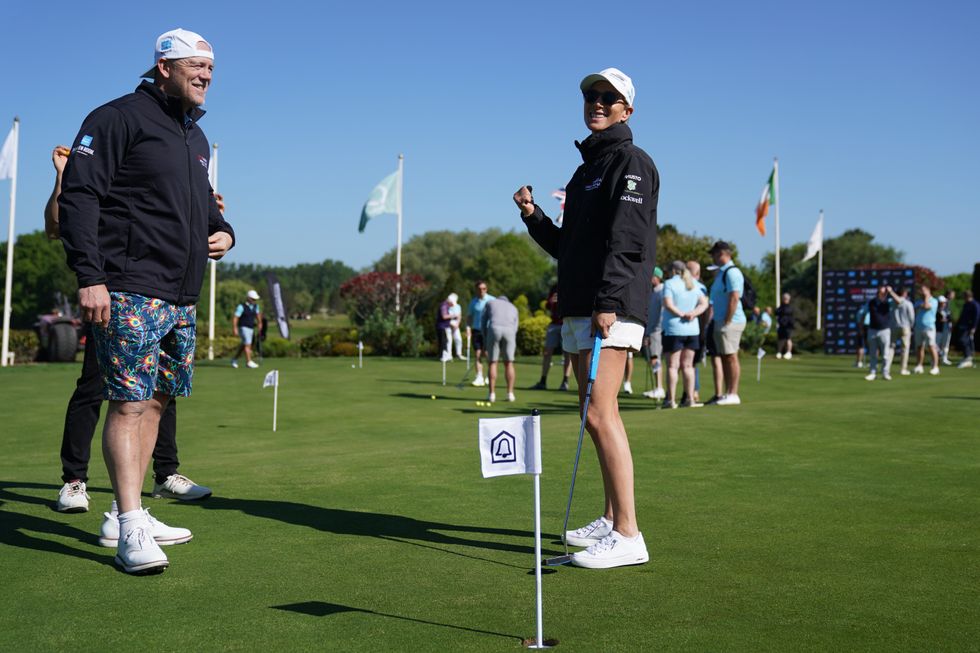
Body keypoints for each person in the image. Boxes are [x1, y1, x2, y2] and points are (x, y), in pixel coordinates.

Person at [58, 28, 235, 574]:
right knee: (128, 403)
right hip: (130, 285)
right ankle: (131, 529)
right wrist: (89, 275)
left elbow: (203, 206)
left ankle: (122, 510)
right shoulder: (117, 118)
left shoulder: (196, 138)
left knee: (157, 400)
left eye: (210, 68)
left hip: (181, 293)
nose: (206, 76)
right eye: (195, 67)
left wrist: (225, 231)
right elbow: (80, 197)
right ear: (164, 67)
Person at [515, 67, 656, 569]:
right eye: (591, 96)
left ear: (626, 109)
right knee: (592, 416)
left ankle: (628, 534)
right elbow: (567, 247)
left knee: (600, 412)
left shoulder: (632, 162)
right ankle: (611, 515)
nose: (596, 102)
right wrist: (535, 217)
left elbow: (630, 241)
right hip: (581, 304)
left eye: (607, 97)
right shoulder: (585, 170)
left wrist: (609, 301)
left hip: (608, 307)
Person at [44, 145, 213, 514]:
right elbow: (55, 226)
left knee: (158, 391)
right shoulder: (98, 182)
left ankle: (164, 473)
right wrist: (62, 174)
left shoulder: (144, 187)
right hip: (111, 294)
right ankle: (75, 481)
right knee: (94, 386)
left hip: (159, 294)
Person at [661, 261, 709, 408]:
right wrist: (693, 314)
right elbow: (704, 303)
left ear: (673, 270)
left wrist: (681, 314)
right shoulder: (693, 283)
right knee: (688, 366)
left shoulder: (669, 284)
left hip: (674, 329)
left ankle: (671, 400)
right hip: (692, 330)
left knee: (672, 366)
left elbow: (668, 304)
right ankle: (690, 399)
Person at [707, 241, 746, 405]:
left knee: (731, 356)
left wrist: (727, 320)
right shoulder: (722, 273)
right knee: (724, 356)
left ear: (723, 253)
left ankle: (733, 393)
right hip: (721, 321)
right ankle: (728, 393)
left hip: (731, 321)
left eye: (714, 255)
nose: (713, 258)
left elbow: (734, 297)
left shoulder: (732, 272)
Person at [531, 285, 572, 391]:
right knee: (547, 352)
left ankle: (565, 381)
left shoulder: (571, 285)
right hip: (554, 324)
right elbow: (548, 305)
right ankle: (543, 381)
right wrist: (551, 302)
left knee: (567, 353)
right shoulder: (554, 287)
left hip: (566, 323)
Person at [482, 295, 519, 403]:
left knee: (493, 362)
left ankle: (491, 394)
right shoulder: (513, 307)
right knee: (509, 363)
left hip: (494, 329)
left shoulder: (490, 303)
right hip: (510, 331)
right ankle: (510, 394)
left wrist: (485, 338)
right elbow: (516, 327)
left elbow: (483, 321)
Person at [640, 268, 665, 400]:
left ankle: (659, 388)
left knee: (655, 358)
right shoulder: (653, 292)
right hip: (651, 330)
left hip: (657, 330)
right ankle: (657, 387)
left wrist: (655, 329)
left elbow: (661, 314)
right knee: (652, 358)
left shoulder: (661, 291)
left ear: (657, 277)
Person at [466, 281, 495, 385]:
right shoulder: (473, 302)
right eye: (479, 289)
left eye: (484, 289)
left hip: (488, 330)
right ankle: (479, 377)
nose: (482, 291)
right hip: (476, 330)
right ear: (476, 290)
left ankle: (489, 375)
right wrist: (468, 328)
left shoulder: (492, 300)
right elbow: (469, 317)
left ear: (486, 289)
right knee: (478, 353)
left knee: (487, 354)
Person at [864, 286, 892, 381]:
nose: (881, 294)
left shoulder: (889, 302)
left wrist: (890, 292)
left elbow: (899, 301)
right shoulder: (872, 302)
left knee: (885, 354)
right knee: (873, 354)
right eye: (880, 292)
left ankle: (885, 373)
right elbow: (864, 312)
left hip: (884, 330)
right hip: (872, 330)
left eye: (884, 293)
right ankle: (872, 372)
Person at [885, 286, 915, 375]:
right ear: (905, 293)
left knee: (891, 348)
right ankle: (903, 369)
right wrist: (911, 326)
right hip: (904, 327)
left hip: (894, 327)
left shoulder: (891, 302)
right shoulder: (907, 303)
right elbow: (912, 317)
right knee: (904, 349)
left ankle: (887, 367)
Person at [912, 285, 940, 375]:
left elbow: (927, 306)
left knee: (931, 346)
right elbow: (915, 308)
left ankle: (935, 367)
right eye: (921, 290)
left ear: (928, 291)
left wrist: (926, 297)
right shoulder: (918, 301)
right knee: (919, 347)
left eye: (923, 290)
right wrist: (922, 302)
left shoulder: (934, 301)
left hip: (929, 327)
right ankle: (919, 366)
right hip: (918, 327)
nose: (922, 292)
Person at [231, 290, 262, 369]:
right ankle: (249, 362)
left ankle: (234, 359)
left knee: (244, 344)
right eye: (253, 299)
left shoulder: (256, 306)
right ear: (248, 298)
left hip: (251, 328)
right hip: (243, 327)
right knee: (248, 344)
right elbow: (236, 317)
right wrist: (234, 328)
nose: (254, 301)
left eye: (255, 299)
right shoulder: (241, 306)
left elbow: (258, 315)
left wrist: (260, 323)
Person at [955, 290, 978, 368]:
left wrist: (974, 327)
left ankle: (968, 358)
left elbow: (977, 316)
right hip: (962, 326)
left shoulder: (974, 304)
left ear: (967, 296)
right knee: (962, 341)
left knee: (964, 341)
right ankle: (966, 357)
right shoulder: (966, 304)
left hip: (969, 327)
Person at [775, 293, 795, 359]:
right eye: (784, 298)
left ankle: (789, 352)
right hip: (781, 325)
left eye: (786, 299)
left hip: (788, 326)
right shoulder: (780, 307)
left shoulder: (790, 308)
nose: (785, 300)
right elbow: (777, 312)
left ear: (788, 299)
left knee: (788, 339)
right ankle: (779, 352)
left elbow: (788, 313)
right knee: (780, 339)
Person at [936, 293, 953, 365]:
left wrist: (947, 320)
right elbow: (937, 320)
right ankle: (935, 359)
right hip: (938, 330)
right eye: (942, 303)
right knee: (936, 345)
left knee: (945, 345)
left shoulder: (947, 310)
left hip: (947, 330)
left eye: (944, 303)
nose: (943, 304)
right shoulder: (936, 310)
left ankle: (944, 359)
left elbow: (951, 319)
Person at [447, 293, 464, 360]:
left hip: (456, 324)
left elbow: (459, 316)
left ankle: (459, 354)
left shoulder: (458, 306)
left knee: (458, 339)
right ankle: (449, 355)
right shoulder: (447, 307)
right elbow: (446, 317)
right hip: (448, 324)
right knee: (449, 340)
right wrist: (451, 324)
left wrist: (457, 324)